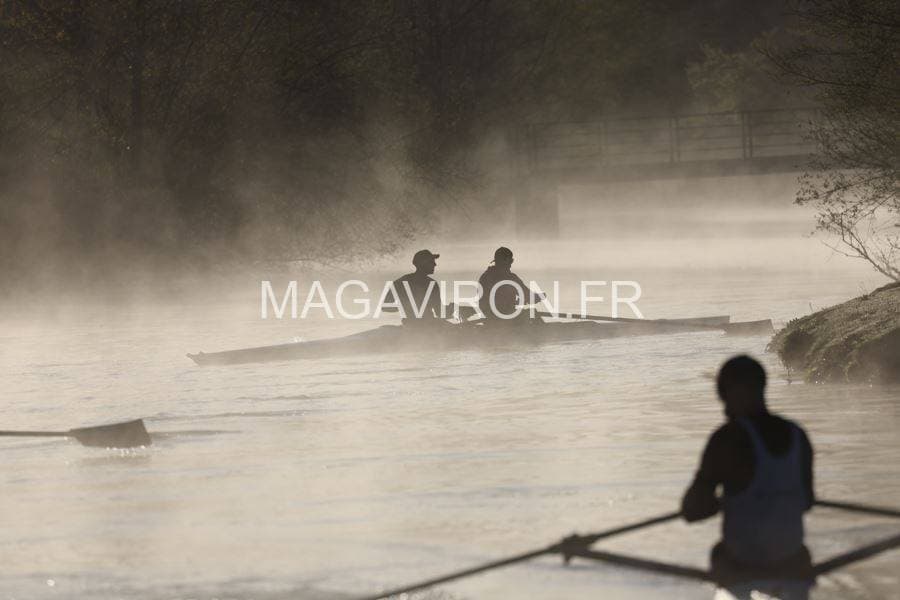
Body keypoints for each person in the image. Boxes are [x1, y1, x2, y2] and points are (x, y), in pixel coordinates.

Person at [681, 355, 815, 592]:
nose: (723, 406)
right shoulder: (798, 435)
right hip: (791, 561)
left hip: (743, 563)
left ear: (733, 393)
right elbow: (806, 503)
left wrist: (722, 503)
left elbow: (692, 511)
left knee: (718, 553)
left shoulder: (727, 438)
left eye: (723, 394)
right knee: (802, 554)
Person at [383, 249, 454, 324]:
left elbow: (439, 312)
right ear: (423, 264)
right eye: (431, 262)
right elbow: (439, 312)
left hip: (413, 324)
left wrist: (453, 308)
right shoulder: (432, 284)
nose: (435, 264)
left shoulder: (400, 282)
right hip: (427, 325)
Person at [477, 247, 544, 320]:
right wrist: (540, 296)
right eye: (511, 261)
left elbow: (486, 302)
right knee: (533, 314)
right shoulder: (511, 278)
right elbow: (529, 297)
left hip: (490, 318)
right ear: (506, 261)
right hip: (506, 319)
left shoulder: (485, 276)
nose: (511, 265)